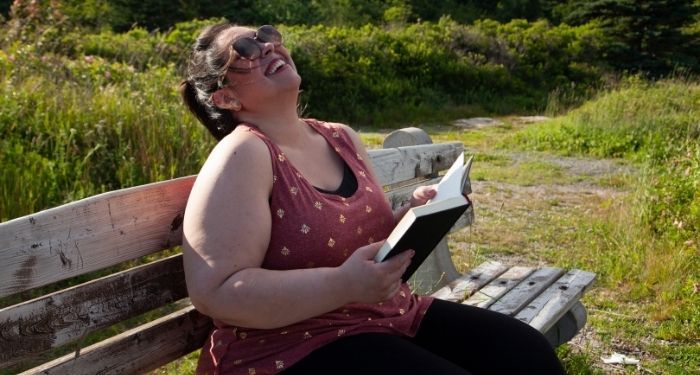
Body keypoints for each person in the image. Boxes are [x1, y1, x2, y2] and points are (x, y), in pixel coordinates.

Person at [179, 22, 566, 375]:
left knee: (525, 353)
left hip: (386, 317)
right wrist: (342, 285)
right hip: (288, 347)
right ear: (227, 98)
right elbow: (215, 292)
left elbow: (356, 240)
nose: (265, 47)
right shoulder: (243, 155)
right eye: (245, 48)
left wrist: (414, 216)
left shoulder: (339, 137)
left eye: (266, 35)